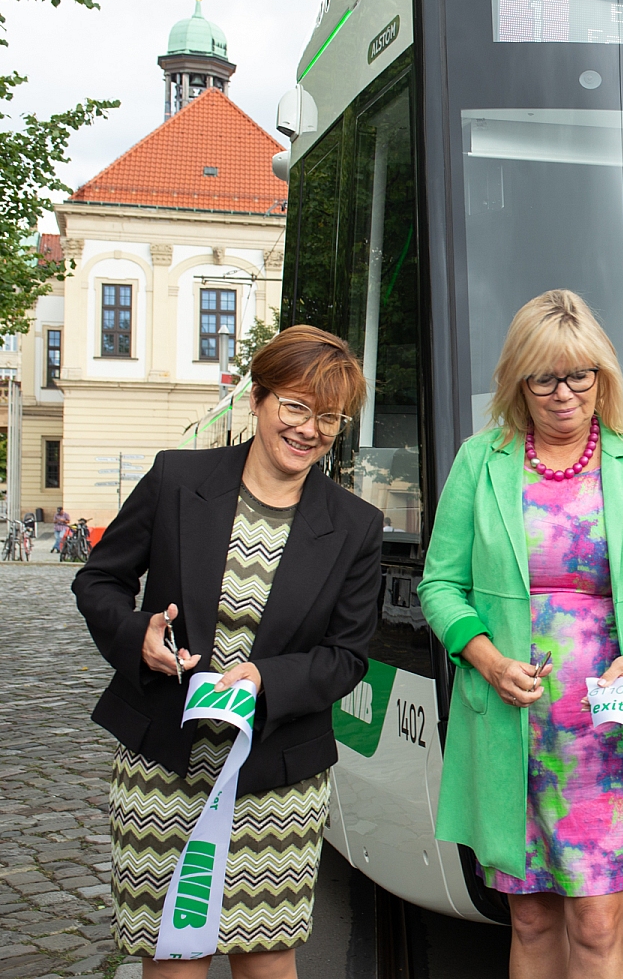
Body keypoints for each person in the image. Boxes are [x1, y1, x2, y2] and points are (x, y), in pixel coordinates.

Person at [72, 325, 383, 979]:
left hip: (277, 775)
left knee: (267, 959)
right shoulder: (178, 479)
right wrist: (140, 636)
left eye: (329, 417)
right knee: (176, 959)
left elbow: (348, 656)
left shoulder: (355, 525)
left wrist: (265, 679)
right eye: (295, 407)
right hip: (163, 763)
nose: (309, 429)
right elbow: (99, 579)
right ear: (259, 400)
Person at [419, 289, 623, 979]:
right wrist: (484, 658)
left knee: (599, 923)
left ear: (604, 376)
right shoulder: (481, 461)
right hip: (513, 730)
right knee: (531, 917)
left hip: (610, 730)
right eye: (544, 376)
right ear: (520, 381)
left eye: (580, 374)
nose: (564, 392)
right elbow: (438, 586)